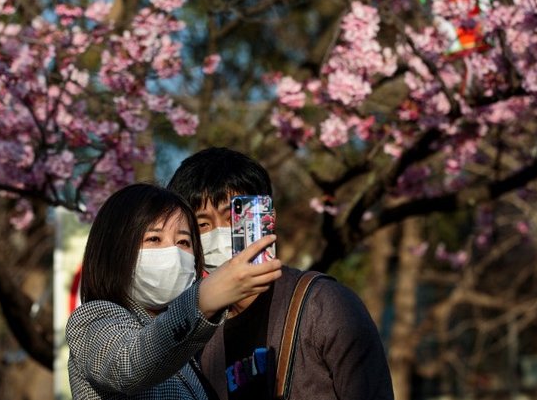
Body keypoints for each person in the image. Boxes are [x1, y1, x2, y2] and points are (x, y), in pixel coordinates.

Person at [167, 148, 395, 400]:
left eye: (234, 217)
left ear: (268, 218)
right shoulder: (198, 333)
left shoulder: (324, 305)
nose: (220, 233)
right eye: (202, 224)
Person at [66, 183, 282, 400]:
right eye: (154, 239)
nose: (173, 252)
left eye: (183, 242)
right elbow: (127, 363)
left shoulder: (188, 344)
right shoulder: (92, 320)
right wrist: (201, 301)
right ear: (114, 250)